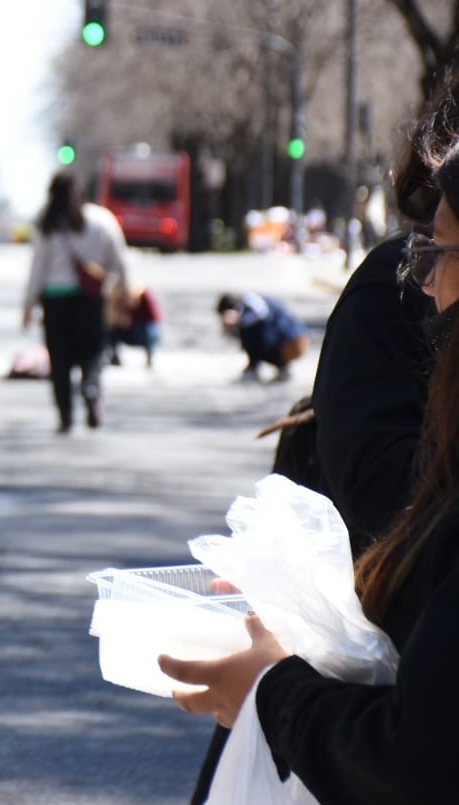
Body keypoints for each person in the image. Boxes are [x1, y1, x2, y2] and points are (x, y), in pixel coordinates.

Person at [186, 61, 457, 805]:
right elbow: (383, 496)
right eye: (427, 256)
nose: (430, 281)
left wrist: (275, 692)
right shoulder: (391, 297)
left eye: (441, 257)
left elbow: (417, 759)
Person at [21, 170, 128, 433]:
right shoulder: (101, 220)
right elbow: (119, 260)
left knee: (60, 361)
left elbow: (37, 270)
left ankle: (65, 416)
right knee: (92, 353)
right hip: (89, 299)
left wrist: (28, 306)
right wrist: (123, 293)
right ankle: (91, 388)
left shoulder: (47, 226)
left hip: (55, 301)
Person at [215, 291, 309, 383]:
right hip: (296, 339)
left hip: (292, 341)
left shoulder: (251, 303)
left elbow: (260, 315)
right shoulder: (254, 302)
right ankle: (279, 368)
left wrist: (238, 321)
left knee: (250, 333)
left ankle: (256, 369)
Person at [106, 281, 161, 368]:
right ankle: (114, 357)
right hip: (138, 331)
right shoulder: (124, 302)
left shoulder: (143, 298)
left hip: (146, 331)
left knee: (147, 330)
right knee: (113, 330)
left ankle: (149, 357)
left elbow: (154, 317)